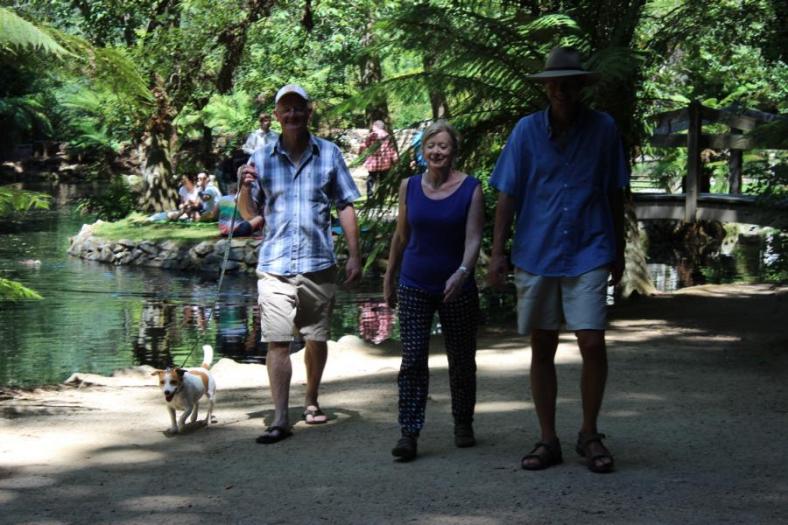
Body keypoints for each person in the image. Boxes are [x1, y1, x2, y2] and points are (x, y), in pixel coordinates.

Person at [486, 46, 628, 473]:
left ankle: (589, 433)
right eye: (554, 83)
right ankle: (548, 439)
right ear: (546, 87)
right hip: (537, 250)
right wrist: (497, 253)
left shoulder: (603, 129)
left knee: (592, 342)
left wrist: (619, 248)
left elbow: (615, 192)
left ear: (581, 86)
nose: (561, 90)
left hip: (590, 246)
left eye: (569, 83)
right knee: (543, 344)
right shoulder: (526, 132)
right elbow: (507, 195)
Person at [239, 83, 362, 444]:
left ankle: (311, 398)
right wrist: (243, 187)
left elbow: (345, 204)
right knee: (277, 341)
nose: (292, 114)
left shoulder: (329, 153)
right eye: (285, 108)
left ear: (309, 112)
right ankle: (280, 417)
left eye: (298, 108)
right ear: (276, 115)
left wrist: (355, 254)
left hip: (318, 263)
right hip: (274, 265)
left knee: (316, 338)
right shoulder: (260, 157)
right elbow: (249, 213)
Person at [383, 119, 484, 461]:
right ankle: (409, 432)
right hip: (414, 282)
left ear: (454, 151)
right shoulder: (409, 186)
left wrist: (462, 272)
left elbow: (473, 238)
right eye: (431, 146)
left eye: (443, 146)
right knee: (413, 359)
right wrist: (390, 275)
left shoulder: (471, 188)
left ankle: (463, 422)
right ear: (422, 150)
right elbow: (401, 235)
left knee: (461, 358)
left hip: (457, 286)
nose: (437, 151)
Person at [358, 120, 398, 197]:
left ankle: (370, 194)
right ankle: (381, 196)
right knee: (383, 180)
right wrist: (394, 159)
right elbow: (391, 149)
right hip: (385, 162)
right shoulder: (388, 136)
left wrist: (360, 155)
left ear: (375, 126)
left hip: (373, 163)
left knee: (371, 179)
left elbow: (364, 146)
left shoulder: (371, 136)